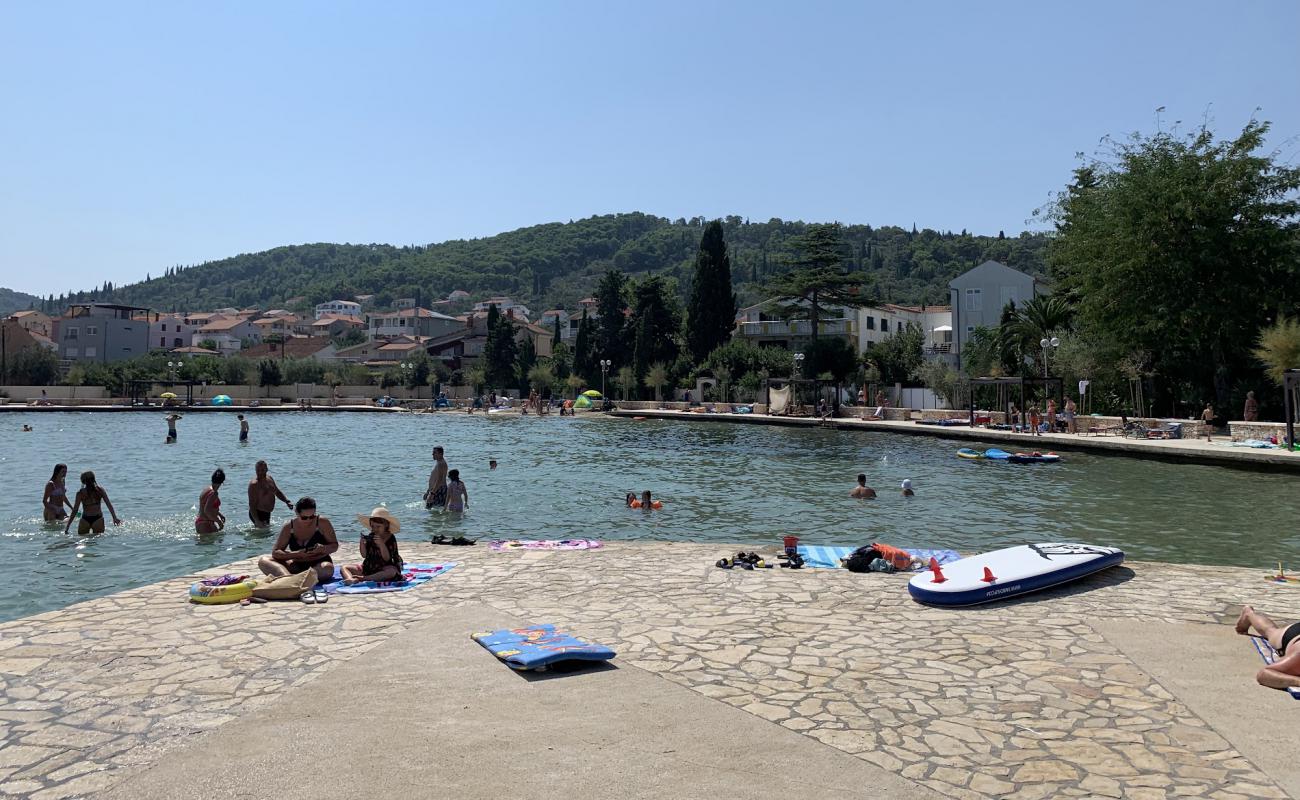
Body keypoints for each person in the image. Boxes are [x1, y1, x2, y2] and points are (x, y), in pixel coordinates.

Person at [258, 497, 338, 582]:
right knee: (264, 561)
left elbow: (334, 546)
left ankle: (292, 580)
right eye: (304, 518)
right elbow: (276, 552)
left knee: (327, 568)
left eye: (312, 517)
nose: (308, 520)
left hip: (318, 563)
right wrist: (297, 554)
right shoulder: (289, 526)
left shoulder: (322, 522)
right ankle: (291, 579)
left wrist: (323, 548)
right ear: (297, 512)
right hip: (296, 564)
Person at [1235, 606, 1300, 691]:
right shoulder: (1298, 656)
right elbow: (1264, 674)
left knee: (1271, 630)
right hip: (1292, 635)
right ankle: (1249, 614)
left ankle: (1249, 614)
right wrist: (1297, 681)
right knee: (1270, 631)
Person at [341, 507, 404, 585]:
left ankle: (364, 578)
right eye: (373, 526)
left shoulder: (390, 537)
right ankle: (350, 579)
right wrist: (362, 544)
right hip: (369, 567)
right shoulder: (371, 536)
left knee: (391, 572)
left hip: (384, 567)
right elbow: (364, 555)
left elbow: (387, 559)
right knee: (344, 567)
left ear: (386, 525)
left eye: (378, 526)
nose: (375, 529)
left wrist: (381, 545)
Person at [247, 460, 292, 527]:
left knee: (266, 534)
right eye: (258, 470)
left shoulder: (269, 478)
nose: (260, 472)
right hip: (258, 513)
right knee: (264, 535)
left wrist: (287, 501)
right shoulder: (254, 485)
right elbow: (252, 504)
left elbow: (277, 492)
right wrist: (257, 520)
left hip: (267, 513)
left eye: (262, 470)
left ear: (267, 469)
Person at [195, 469, 226, 534]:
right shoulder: (214, 493)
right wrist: (219, 522)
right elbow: (207, 510)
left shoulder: (206, 489)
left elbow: (208, 507)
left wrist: (219, 515)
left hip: (201, 522)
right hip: (206, 523)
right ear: (222, 481)